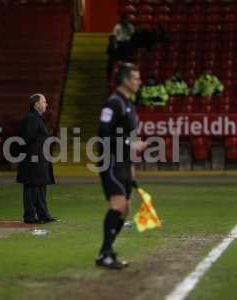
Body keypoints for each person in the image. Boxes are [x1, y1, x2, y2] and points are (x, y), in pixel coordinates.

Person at [96, 63, 148, 269]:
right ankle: (104, 254)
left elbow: (130, 137)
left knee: (125, 210)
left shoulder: (129, 105)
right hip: (110, 162)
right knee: (118, 205)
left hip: (124, 164)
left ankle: (106, 252)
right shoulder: (113, 103)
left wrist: (132, 168)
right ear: (126, 80)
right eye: (136, 78)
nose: (139, 81)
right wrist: (130, 143)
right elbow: (103, 134)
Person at [17, 94, 57, 224]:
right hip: (33, 160)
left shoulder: (36, 118)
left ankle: (43, 215)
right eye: (44, 102)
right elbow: (27, 139)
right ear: (36, 104)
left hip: (38, 160)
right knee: (32, 188)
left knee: (40, 188)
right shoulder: (31, 119)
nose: (46, 104)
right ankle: (29, 216)